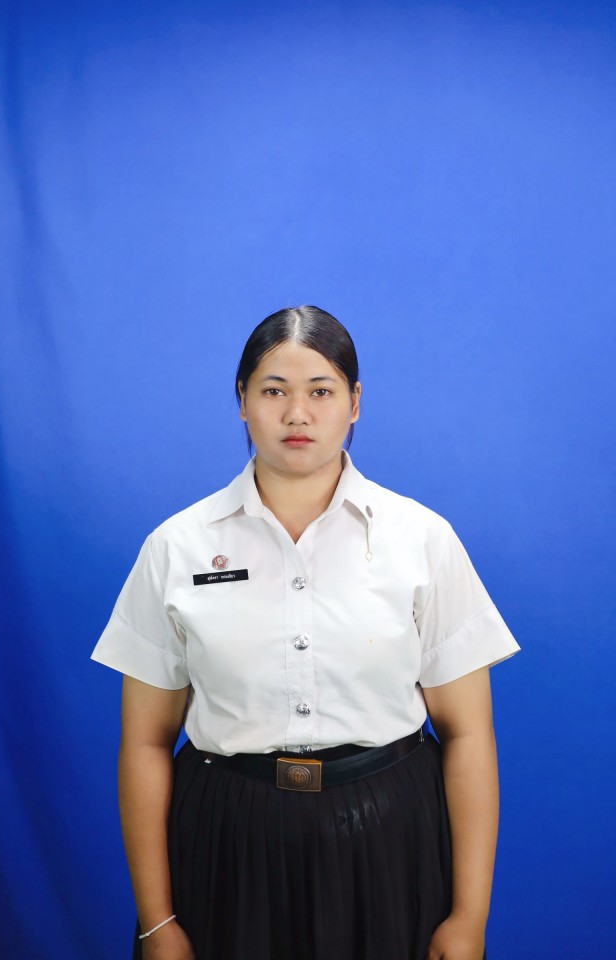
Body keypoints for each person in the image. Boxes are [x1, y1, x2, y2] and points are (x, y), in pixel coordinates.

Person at [92, 305, 519, 960]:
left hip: (390, 833)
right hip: (227, 837)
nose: (298, 414)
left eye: (321, 391)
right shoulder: (176, 547)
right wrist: (156, 923)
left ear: (355, 403)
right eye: (274, 391)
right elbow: (145, 743)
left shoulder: (421, 540)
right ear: (242, 401)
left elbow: (468, 735)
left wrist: (469, 917)